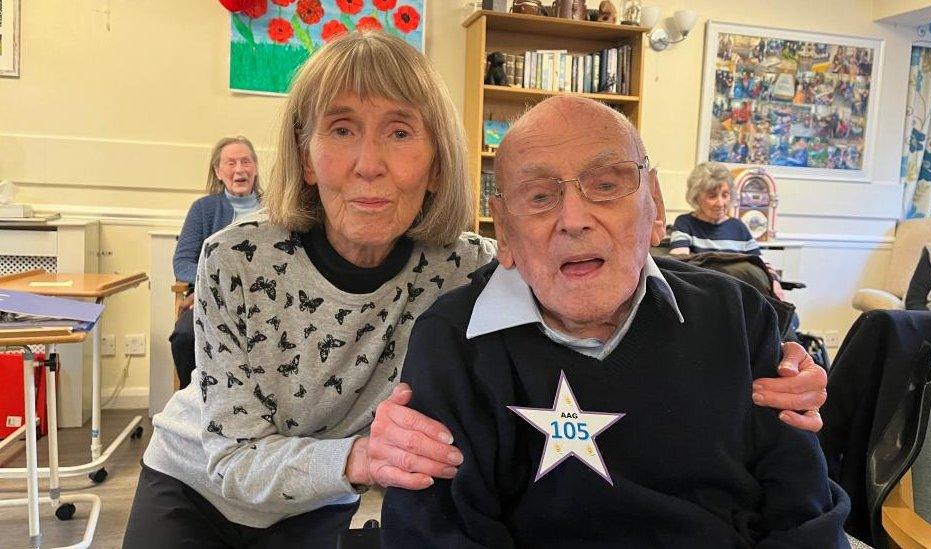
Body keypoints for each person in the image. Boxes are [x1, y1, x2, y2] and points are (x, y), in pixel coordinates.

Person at [124, 32, 827, 548]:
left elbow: (598, 258)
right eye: (341, 130)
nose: (369, 164)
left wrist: (769, 342)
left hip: (335, 501)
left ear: (435, 163)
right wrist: (360, 456)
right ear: (306, 154)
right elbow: (230, 452)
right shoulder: (234, 258)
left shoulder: (470, 267)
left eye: (400, 132)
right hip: (207, 481)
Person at [381, 97, 848, 547]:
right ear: (503, 230)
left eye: (606, 186)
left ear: (656, 206)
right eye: (540, 196)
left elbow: (804, 509)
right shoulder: (452, 342)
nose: (574, 219)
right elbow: (434, 535)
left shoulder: (737, 314)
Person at [170, 136, 262, 388]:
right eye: (231, 163)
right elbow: (182, 263)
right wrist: (216, 285)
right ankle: (194, 404)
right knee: (184, 337)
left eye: (246, 161)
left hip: (263, 302)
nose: (240, 169)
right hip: (210, 298)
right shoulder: (203, 209)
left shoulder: (275, 207)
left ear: (255, 168)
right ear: (218, 172)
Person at [670, 161, 785, 300]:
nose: (720, 203)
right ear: (696, 197)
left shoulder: (739, 228)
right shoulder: (685, 223)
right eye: (712, 196)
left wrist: (775, 282)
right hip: (702, 297)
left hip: (737, 297)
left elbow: (761, 263)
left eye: (725, 195)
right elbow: (680, 266)